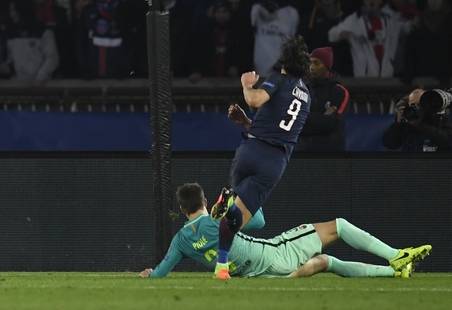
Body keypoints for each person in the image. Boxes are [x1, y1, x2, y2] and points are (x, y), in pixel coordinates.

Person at [139, 183, 432, 279]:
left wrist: (149, 275)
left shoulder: (180, 239)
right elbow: (259, 220)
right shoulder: (217, 221)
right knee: (338, 226)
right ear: (204, 201)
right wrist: (234, 201)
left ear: (181, 210)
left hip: (260, 277)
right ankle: (395, 255)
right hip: (275, 253)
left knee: (326, 262)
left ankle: (395, 272)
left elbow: (162, 272)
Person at [211, 35, 311, 280]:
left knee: (231, 217)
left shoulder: (278, 79)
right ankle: (222, 266)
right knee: (236, 221)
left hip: (251, 150)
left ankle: (222, 261)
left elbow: (255, 99)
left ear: (283, 62)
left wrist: (246, 85)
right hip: (273, 161)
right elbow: (280, 128)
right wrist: (247, 122)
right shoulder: (307, 97)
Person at [296, 47, 349, 152]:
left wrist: (305, 117)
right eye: (310, 63)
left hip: (331, 157)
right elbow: (294, 124)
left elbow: (334, 123)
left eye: (316, 63)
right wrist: (323, 118)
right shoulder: (302, 90)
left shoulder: (339, 92)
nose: (311, 68)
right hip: (304, 156)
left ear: (327, 66)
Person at [381, 89, 452, 152]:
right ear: (407, 105)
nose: (416, 108)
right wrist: (398, 123)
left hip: (432, 164)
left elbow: (446, 141)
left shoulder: (437, 119)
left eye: (420, 104)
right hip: (410, 164)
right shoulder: (405, 122)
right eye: (413, 104)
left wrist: (420, 125)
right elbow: (389, 144)